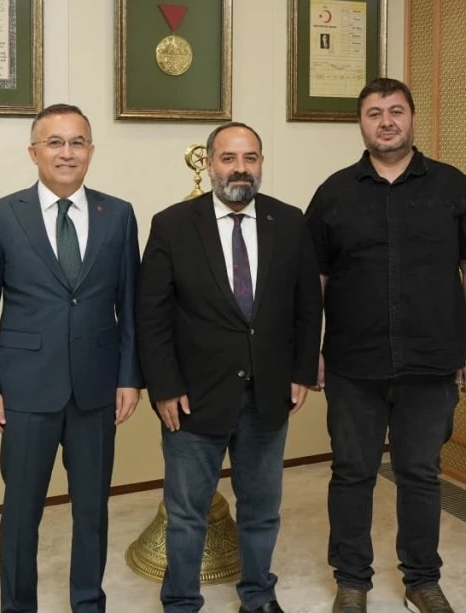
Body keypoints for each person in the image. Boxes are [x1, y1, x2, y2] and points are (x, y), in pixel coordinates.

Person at [305, 78, 466, 613]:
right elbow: (313, 278)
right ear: (361, 124)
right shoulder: (334, 192)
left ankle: (422, 580)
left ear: (412, 118)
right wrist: (309, 348)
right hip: (353, 365)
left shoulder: (452, 186)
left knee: (420, 474)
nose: (386, 121)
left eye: (395, 110)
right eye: (374, 113)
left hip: (431, 363)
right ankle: (352, 581)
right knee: (352, 474)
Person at [138, 122, 322, 613]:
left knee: (261, 509)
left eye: (250, 158)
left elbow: (308, 305)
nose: (240, 168)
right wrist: (163, 387)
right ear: (209, 164)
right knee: (186, 513)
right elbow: (151, 314)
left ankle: (258, 596)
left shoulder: (289, 221)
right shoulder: (173, 224)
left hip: (268, 396)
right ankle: (181, 601)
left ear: (261, 163)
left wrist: (302, 372)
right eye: (228, 158)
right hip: (192, 399)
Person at [0, 103, 142, 613]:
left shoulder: (118, 214)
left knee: (92, 510)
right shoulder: (2, 216)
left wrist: (129, 376)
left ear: (91, 151)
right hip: (24, 389)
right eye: (55, 142)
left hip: (97, 388)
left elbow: (130, 305)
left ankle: (88, 602)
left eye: (77, 142)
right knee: (22, 512)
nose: (67, 153)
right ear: (34, 152)